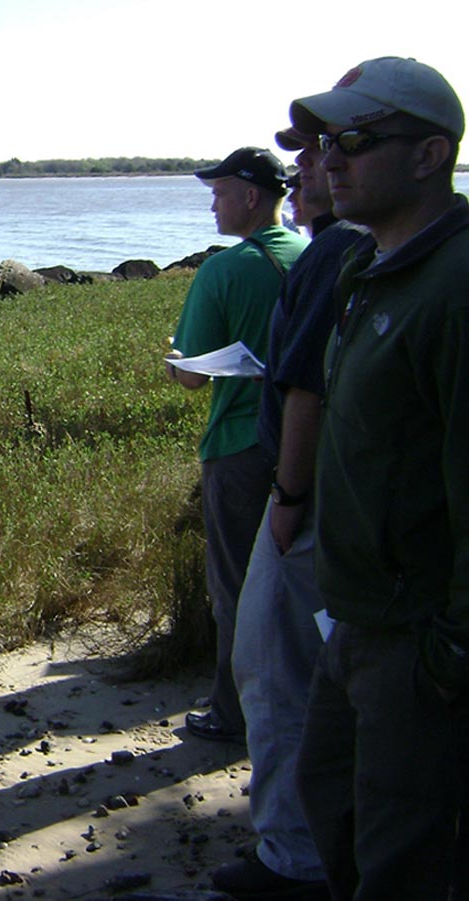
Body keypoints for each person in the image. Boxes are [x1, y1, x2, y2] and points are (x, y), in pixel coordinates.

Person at [287, 56, 468, 900]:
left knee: (405, 854)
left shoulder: (458, 284)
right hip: (352, 617)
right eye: (328, 142)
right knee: (331, 800)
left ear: (431, 156)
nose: (331, 160)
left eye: (355, 140)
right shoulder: (365, 269)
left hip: (417, 636)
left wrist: (450, 651)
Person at [215, 126, 364, 900]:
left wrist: (290, 495)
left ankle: (293, 858)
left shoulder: (333, 253)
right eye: (308, 154)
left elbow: (304, 385)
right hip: (335, 498)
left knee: (273, 668)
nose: (312, 166)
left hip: (303, 499)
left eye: (333, 148)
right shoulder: (341, 253)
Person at [166, 147, 308, 743]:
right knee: (302, 581)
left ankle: (232, 711)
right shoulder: (316, 254)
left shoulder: (222, 271)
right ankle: (304, 697)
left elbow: (195, 374)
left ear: (252, 196)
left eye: (221, 193)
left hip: (239, 445)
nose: (213, 206)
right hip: (312, 444)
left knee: (234, 584)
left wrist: (174, 358)